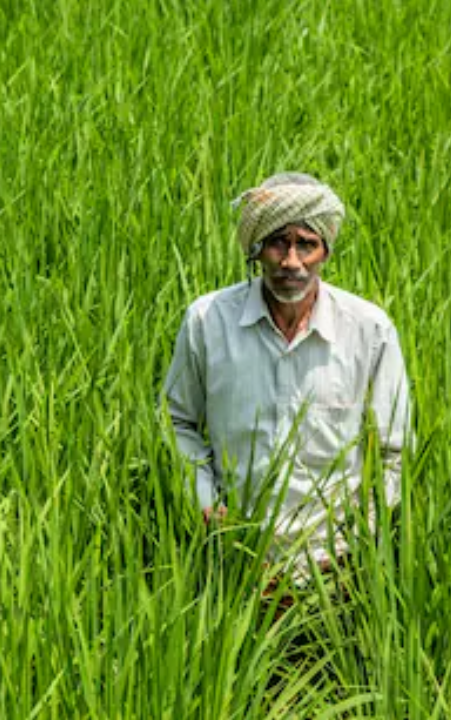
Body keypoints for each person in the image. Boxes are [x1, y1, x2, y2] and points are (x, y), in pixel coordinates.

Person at [162, 172, 411, 579]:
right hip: (234, 559)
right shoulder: (208, 322)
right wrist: (209, 508)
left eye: (306, 245)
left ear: (325, 251)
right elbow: (178, 422)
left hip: (341, 567)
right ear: (256, 249)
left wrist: (357, 540)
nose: (291, 262)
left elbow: (394, 452)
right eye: (278, 242)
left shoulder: (369, 331)